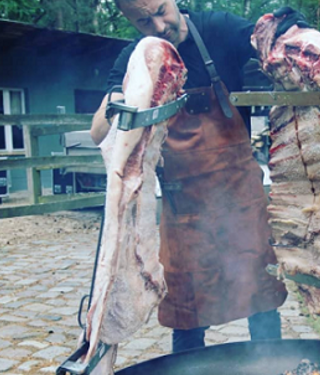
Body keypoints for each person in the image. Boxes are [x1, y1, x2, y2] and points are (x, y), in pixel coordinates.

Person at [90, 0, 308, 353]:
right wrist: (120, 99)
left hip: (241, 200)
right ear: (129, 21)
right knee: (186, 315)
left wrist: (288, 29)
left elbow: (269, 42)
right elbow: (98, 132)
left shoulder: (217, 28)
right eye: (144, 21)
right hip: (185, 209)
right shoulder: (136, 58)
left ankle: (271, 364)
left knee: (263, 304)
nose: (159, 27)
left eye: (161, 11)